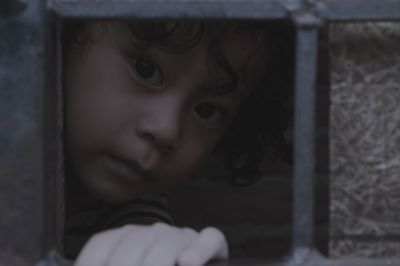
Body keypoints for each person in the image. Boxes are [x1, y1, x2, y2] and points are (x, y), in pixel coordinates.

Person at [62, 20, 293, 266]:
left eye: (207, 110)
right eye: (145, 69)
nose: (167, 129)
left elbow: (143, 228)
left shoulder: (133, 203)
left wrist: (173, 252)